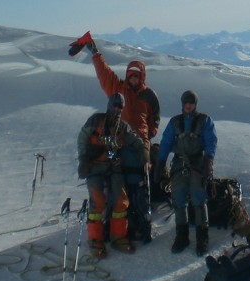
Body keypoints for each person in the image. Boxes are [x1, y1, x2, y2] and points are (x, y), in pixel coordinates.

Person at [70, 31, 160, 244]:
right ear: (128, 75)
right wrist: (94, 53)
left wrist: (148, 137)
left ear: (142, 76)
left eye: (137, 75)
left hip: (138, 147)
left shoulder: (149, 95)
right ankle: (115, 228)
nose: (134, 78)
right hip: (120, 147)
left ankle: (140, 226)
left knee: (139, 188)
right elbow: (104, 73)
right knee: (119, 189)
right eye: (131, 74)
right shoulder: (119, 89)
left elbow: (155, 118)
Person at [76, 93, 147, 258]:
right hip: (94, 166)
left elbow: (134, 138)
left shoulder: (122, 126)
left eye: (120, 107)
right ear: (109, 105)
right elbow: (82, 138)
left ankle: (119, 237)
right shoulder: (95, 120)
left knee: (121, 201)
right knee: (97, 202)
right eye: (115, 105)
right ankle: (95, 240)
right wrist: (83, 158)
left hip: (113, 166)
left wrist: (142, 149)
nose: (117, 109)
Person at [154, 90, 218, 255]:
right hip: (179, 165)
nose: (189, 105)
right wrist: (160, 163)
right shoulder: (175, 122)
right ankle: (181, 237)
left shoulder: (204, 120)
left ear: (195, 104)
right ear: (182, 103)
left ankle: (202, 238)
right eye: (186, 102)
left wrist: (208, 161)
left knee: (199, 200)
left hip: (198, 165)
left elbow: (211, 141)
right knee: (179, 200)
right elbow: (166, 142)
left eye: (192, 102)